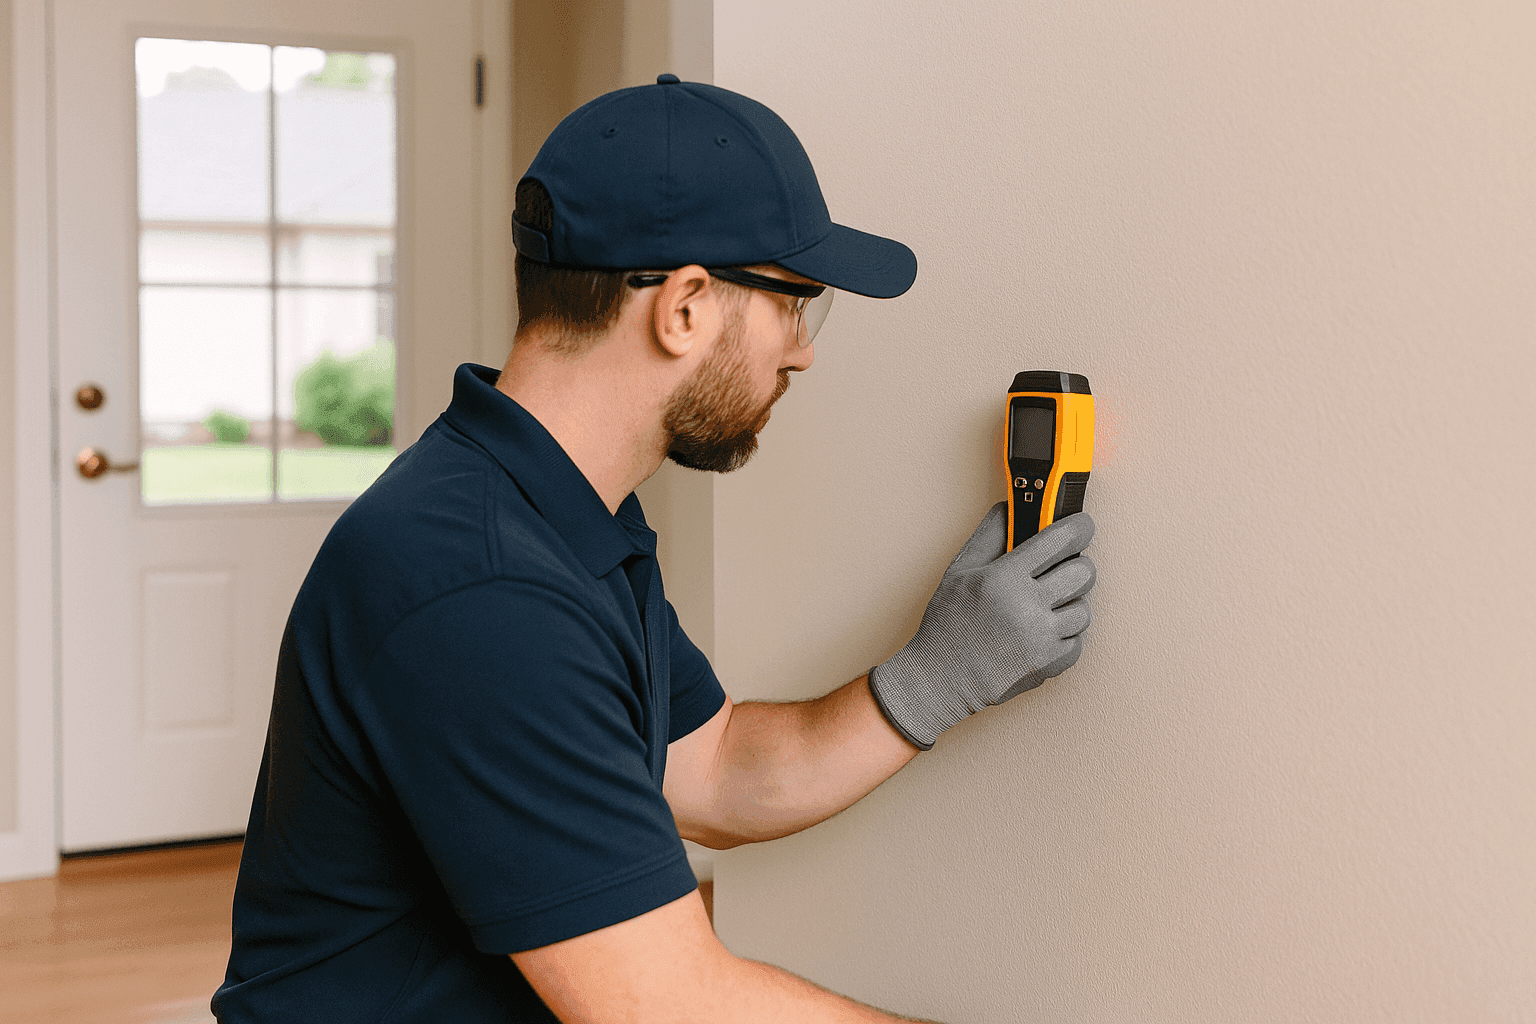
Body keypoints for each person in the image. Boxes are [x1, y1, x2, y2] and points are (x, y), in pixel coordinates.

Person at [212, 74, 1095, 1023]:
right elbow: (666, 1006)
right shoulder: (479, 584)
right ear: (682, 307)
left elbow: (714, 772)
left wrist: (943, 671)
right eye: (796, 304)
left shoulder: (560, 512)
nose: (802, 351)